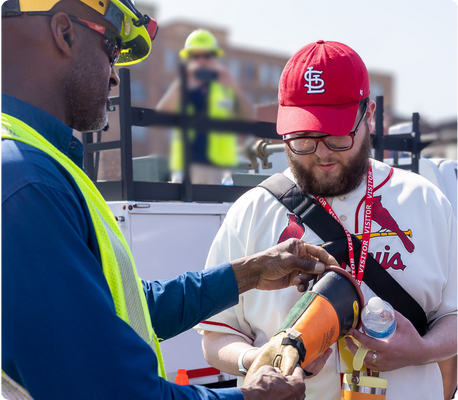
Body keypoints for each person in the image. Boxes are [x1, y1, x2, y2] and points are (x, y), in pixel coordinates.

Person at [0, 3, 339, 399]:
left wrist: (249, 273)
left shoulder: (33, 164)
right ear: (65, 33)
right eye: (111, 49)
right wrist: (254, 398)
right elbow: (118, 393)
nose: (114, 77)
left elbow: (124, 305)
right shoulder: (27, 183)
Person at [197, 40, 458, 400]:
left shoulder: (424, 199)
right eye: (303, 137)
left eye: (336, 135)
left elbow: (454, 314)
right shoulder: (251, 210)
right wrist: (254, 359)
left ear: (368, 116)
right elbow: (215, 335)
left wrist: (423, 350)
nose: (321, 154)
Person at [156, 29, 254, 184]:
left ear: (214, 58)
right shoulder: (181, 88)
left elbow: (249, 115)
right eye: (195, 55)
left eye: (207, 55)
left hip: (218, 169)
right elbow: (161, 115)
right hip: (186, 167)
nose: (201, 60)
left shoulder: (226, 88)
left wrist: (232, 85)